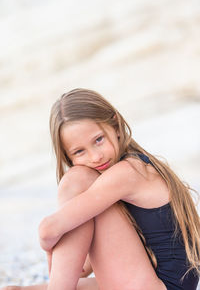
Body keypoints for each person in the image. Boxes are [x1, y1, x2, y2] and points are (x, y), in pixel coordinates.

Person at [2, 88, 200, 290]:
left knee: (77, 179)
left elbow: (48, 230)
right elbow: (81, 268)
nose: (95, 157)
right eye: (79, 151)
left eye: (98, 140)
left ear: (115, 125)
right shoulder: (122, 174)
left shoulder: (128, 172)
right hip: (152, 280)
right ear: (68, 157)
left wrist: (49, 245)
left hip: (159, 286)